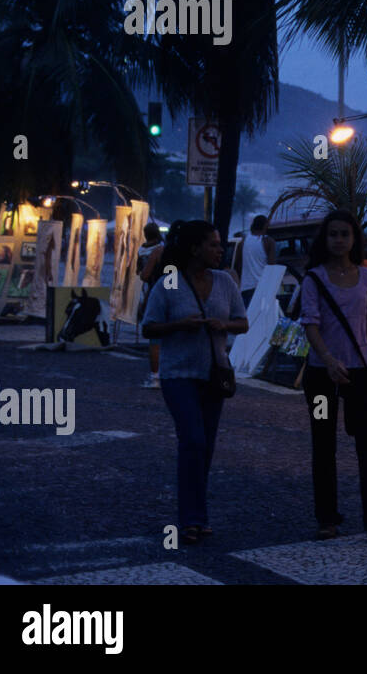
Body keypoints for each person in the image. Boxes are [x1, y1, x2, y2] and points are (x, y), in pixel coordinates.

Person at [299, 210, 367, 541]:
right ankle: (327, 519)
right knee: (323, 443)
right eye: (333, 234)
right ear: (325, 239)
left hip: (359, 372)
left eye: (344, 234)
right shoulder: (313, 279)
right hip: (321, 375)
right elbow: (310, 325)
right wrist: (328, 360)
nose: (339, 240)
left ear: (353, 239)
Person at [141, 221, 247, 544]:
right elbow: (149, 327)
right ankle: (190, 518)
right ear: (194, 248)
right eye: (213, 245)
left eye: (220, 245)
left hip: (214, 374)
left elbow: (242, 322)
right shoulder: (169, 282)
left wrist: (223, 324)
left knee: (206, 447)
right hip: (178, 375)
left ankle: (198, 514)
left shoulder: (225, 283)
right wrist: (177, 326)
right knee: (193, 441)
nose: (220, 250)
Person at [136, 222, 164, 388]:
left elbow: (142, 274)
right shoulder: (163, 250)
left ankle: (155, 377)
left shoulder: (142, 250)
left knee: (154, 337)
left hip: (151, 293)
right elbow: (172, 278)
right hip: (166, 292)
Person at [234, 215, 277, 308]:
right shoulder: (268, 241)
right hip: (263, 288)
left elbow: (238, 265)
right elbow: (272, 267)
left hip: (245, 288)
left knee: (248, 320)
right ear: (265, 226)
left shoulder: (243, 241)